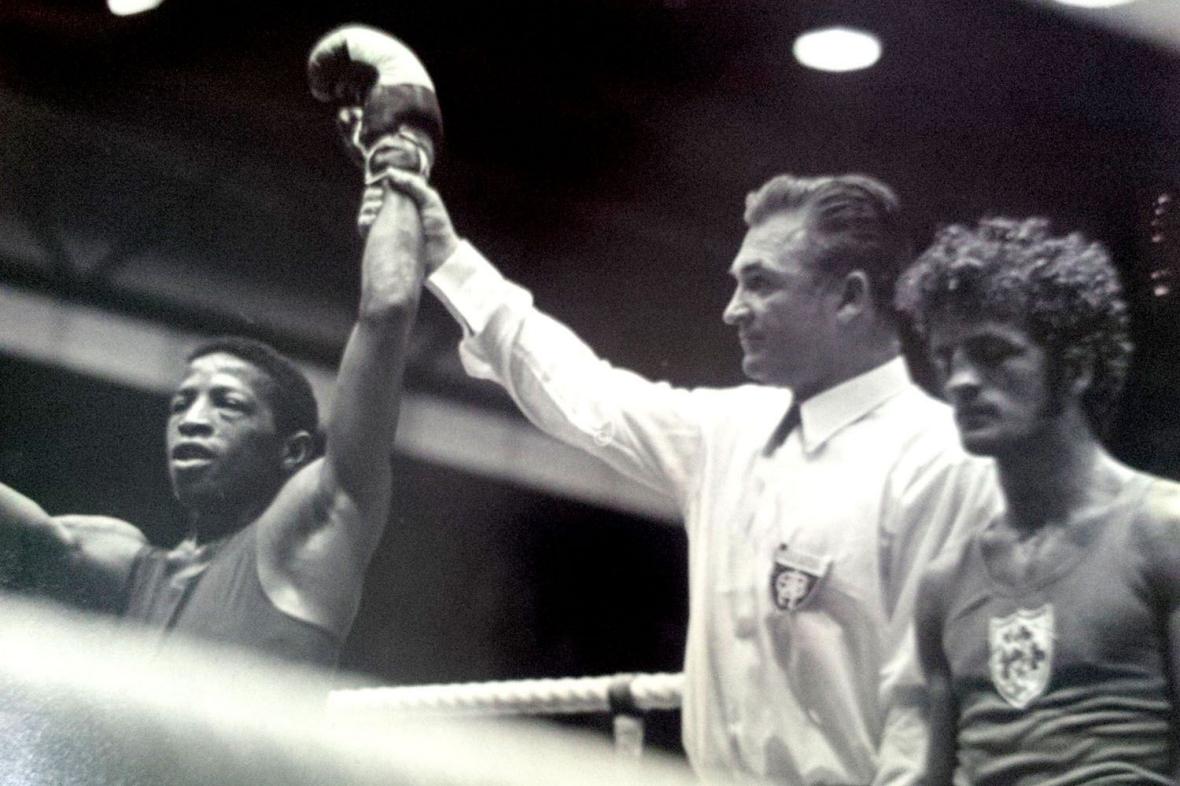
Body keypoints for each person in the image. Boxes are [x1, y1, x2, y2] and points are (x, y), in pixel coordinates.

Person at [376, 164, 998, 785]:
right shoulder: (732, 429)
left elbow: (928, 714)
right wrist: (447, 257)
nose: (732, 310)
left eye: (760, 284)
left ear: (850, 298)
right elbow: (586, 395)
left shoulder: (943, 461)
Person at [0, 154, 428, 670]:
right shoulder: (127, 568)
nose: (193, 419)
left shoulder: (310, 535)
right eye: (182, 403)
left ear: (292, 451)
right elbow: (28, 536)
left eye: (227, 404)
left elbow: (387, 311)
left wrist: (400, 160)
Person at [898, 216, 1180, 785]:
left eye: (992, 352)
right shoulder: (945, 583)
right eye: (948, 357)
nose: (960, 380)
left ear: (1076, 368)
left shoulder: (1164, 530)